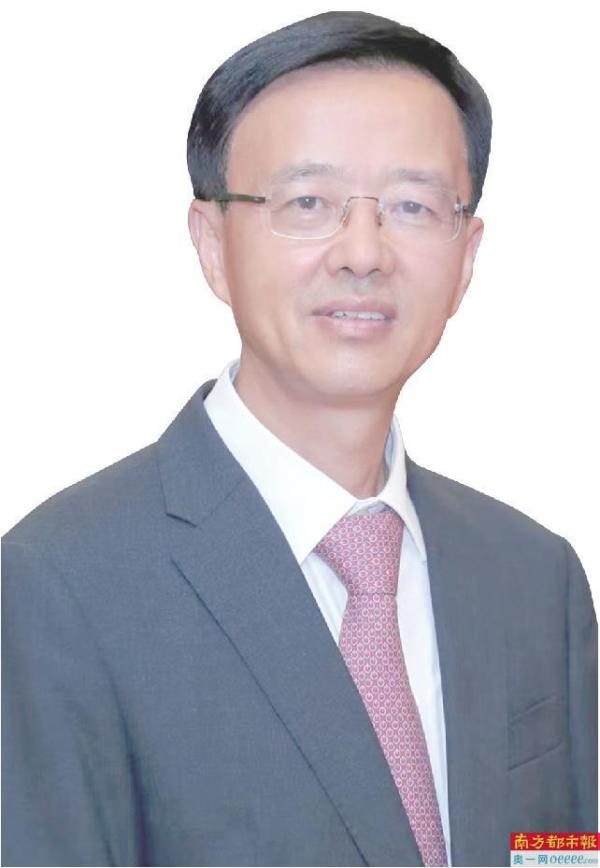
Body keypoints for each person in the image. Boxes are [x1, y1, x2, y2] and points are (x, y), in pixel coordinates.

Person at [2, 10, 596, 867]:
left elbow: (562, 851)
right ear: (213, 243)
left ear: (467, 255)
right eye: (308, 203)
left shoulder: (535, 576)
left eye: (412, 205)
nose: (364, 252)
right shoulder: (59, 585)